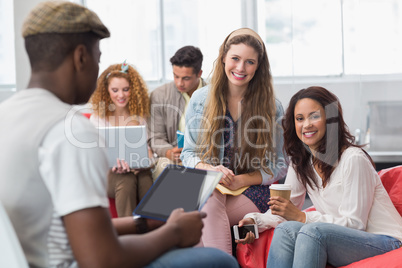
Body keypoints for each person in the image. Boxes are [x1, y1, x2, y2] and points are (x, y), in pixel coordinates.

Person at [0, 2, 238, 268]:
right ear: (81, 57)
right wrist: (174, 233)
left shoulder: (5, 116)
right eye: (98, 57)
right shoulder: (70, 131)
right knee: (219, 261)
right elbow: (102, 259)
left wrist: (144, 224)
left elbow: (66, 227)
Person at [238, 86, 402, 268]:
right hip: (337, 237)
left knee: (311, 232)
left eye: (314, 116)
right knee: (286, 229)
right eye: (299, 119)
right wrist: (254, 221)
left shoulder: (353, 159)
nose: (306, 124)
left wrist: (302, 217)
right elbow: (285, 211)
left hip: (386, 241)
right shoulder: (302, 163)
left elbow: (355, 224)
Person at [180, 27, 288, 255]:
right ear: (223, 59)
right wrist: (210, 169)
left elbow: (279, 165)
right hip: (212, 186)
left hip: (252, 189)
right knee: (209, 193)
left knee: (197, 221)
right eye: (235, 59)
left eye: (249, 62)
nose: (240, 68)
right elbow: (188, 154)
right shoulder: (200, 100)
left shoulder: (271, 107)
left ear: (258, 67)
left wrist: (241, 180)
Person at [89, 62, 154, 217]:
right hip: (109, 175)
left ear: (134, 89)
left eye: (126, 89)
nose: (121, 95)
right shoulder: (97, 118)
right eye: (115, 90)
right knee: (126, 179)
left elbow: (149, 151)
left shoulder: (141, 116)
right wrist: (113, 166)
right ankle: (129, 233)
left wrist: (144, 163)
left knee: (145, 179)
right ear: (106, 91)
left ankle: (153, 231)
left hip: (139, 170)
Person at [148, 45, 206, 180]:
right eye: (175, 76)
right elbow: (155, 137)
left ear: (199, 73)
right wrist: (168, 152)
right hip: (174, 158)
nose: (179, 83)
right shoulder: (159, 95)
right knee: (165, 167)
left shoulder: (214, 95)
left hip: (205, 158)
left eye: (186, 78)